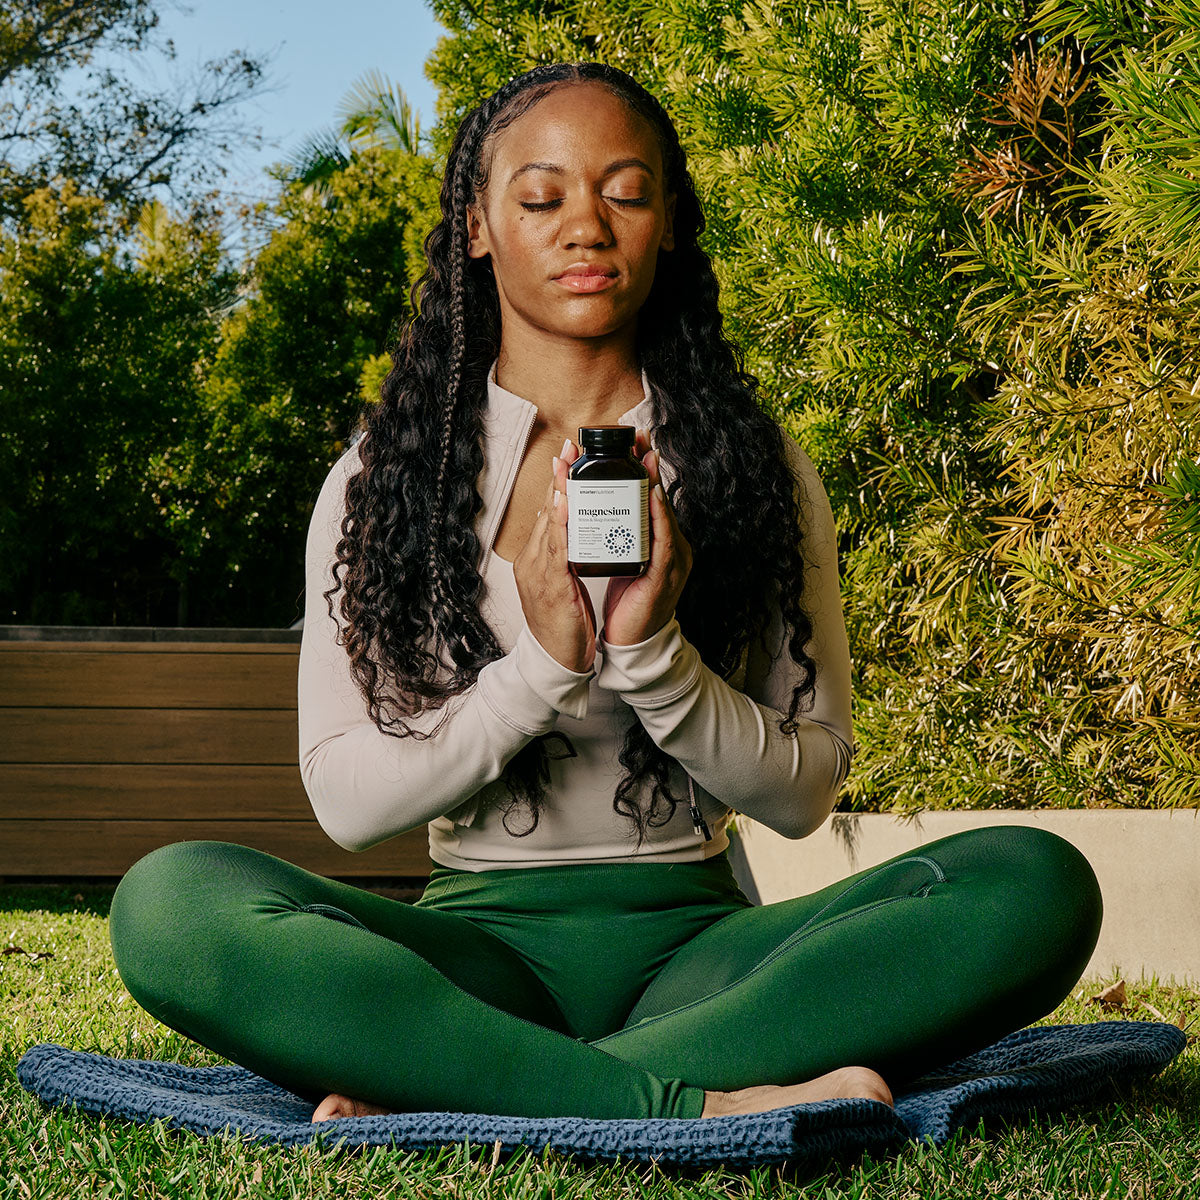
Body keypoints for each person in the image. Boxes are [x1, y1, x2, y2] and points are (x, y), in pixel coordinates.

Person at [107, 61, 1103, 1125]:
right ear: (480, 226)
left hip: (706, 953)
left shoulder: (755, 468)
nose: (585, 225)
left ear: (669, 224)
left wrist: (656, 657)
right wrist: (541, 668)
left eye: (625, 193)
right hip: (473, 956)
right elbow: (351, 807)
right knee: (169, 903)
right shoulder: (381, 481)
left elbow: (804, 797)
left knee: (1034, 883)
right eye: (541, 197)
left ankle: (459, 1079)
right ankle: (686, 1102)